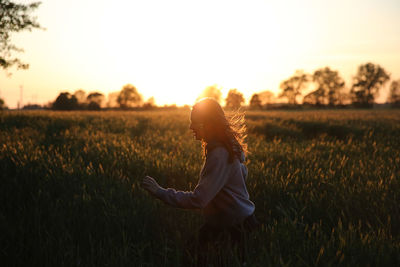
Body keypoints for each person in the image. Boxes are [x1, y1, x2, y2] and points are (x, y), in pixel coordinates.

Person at [141, 98, 259, 264]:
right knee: (191, 256)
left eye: (195, 122)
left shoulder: (219, 154)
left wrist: (160, 192)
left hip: (235, 227)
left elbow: (199, 199)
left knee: (193, 258)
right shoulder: (227, 148)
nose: (190, 127)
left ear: (209, 124)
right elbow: (242, 174)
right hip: (227, 222)